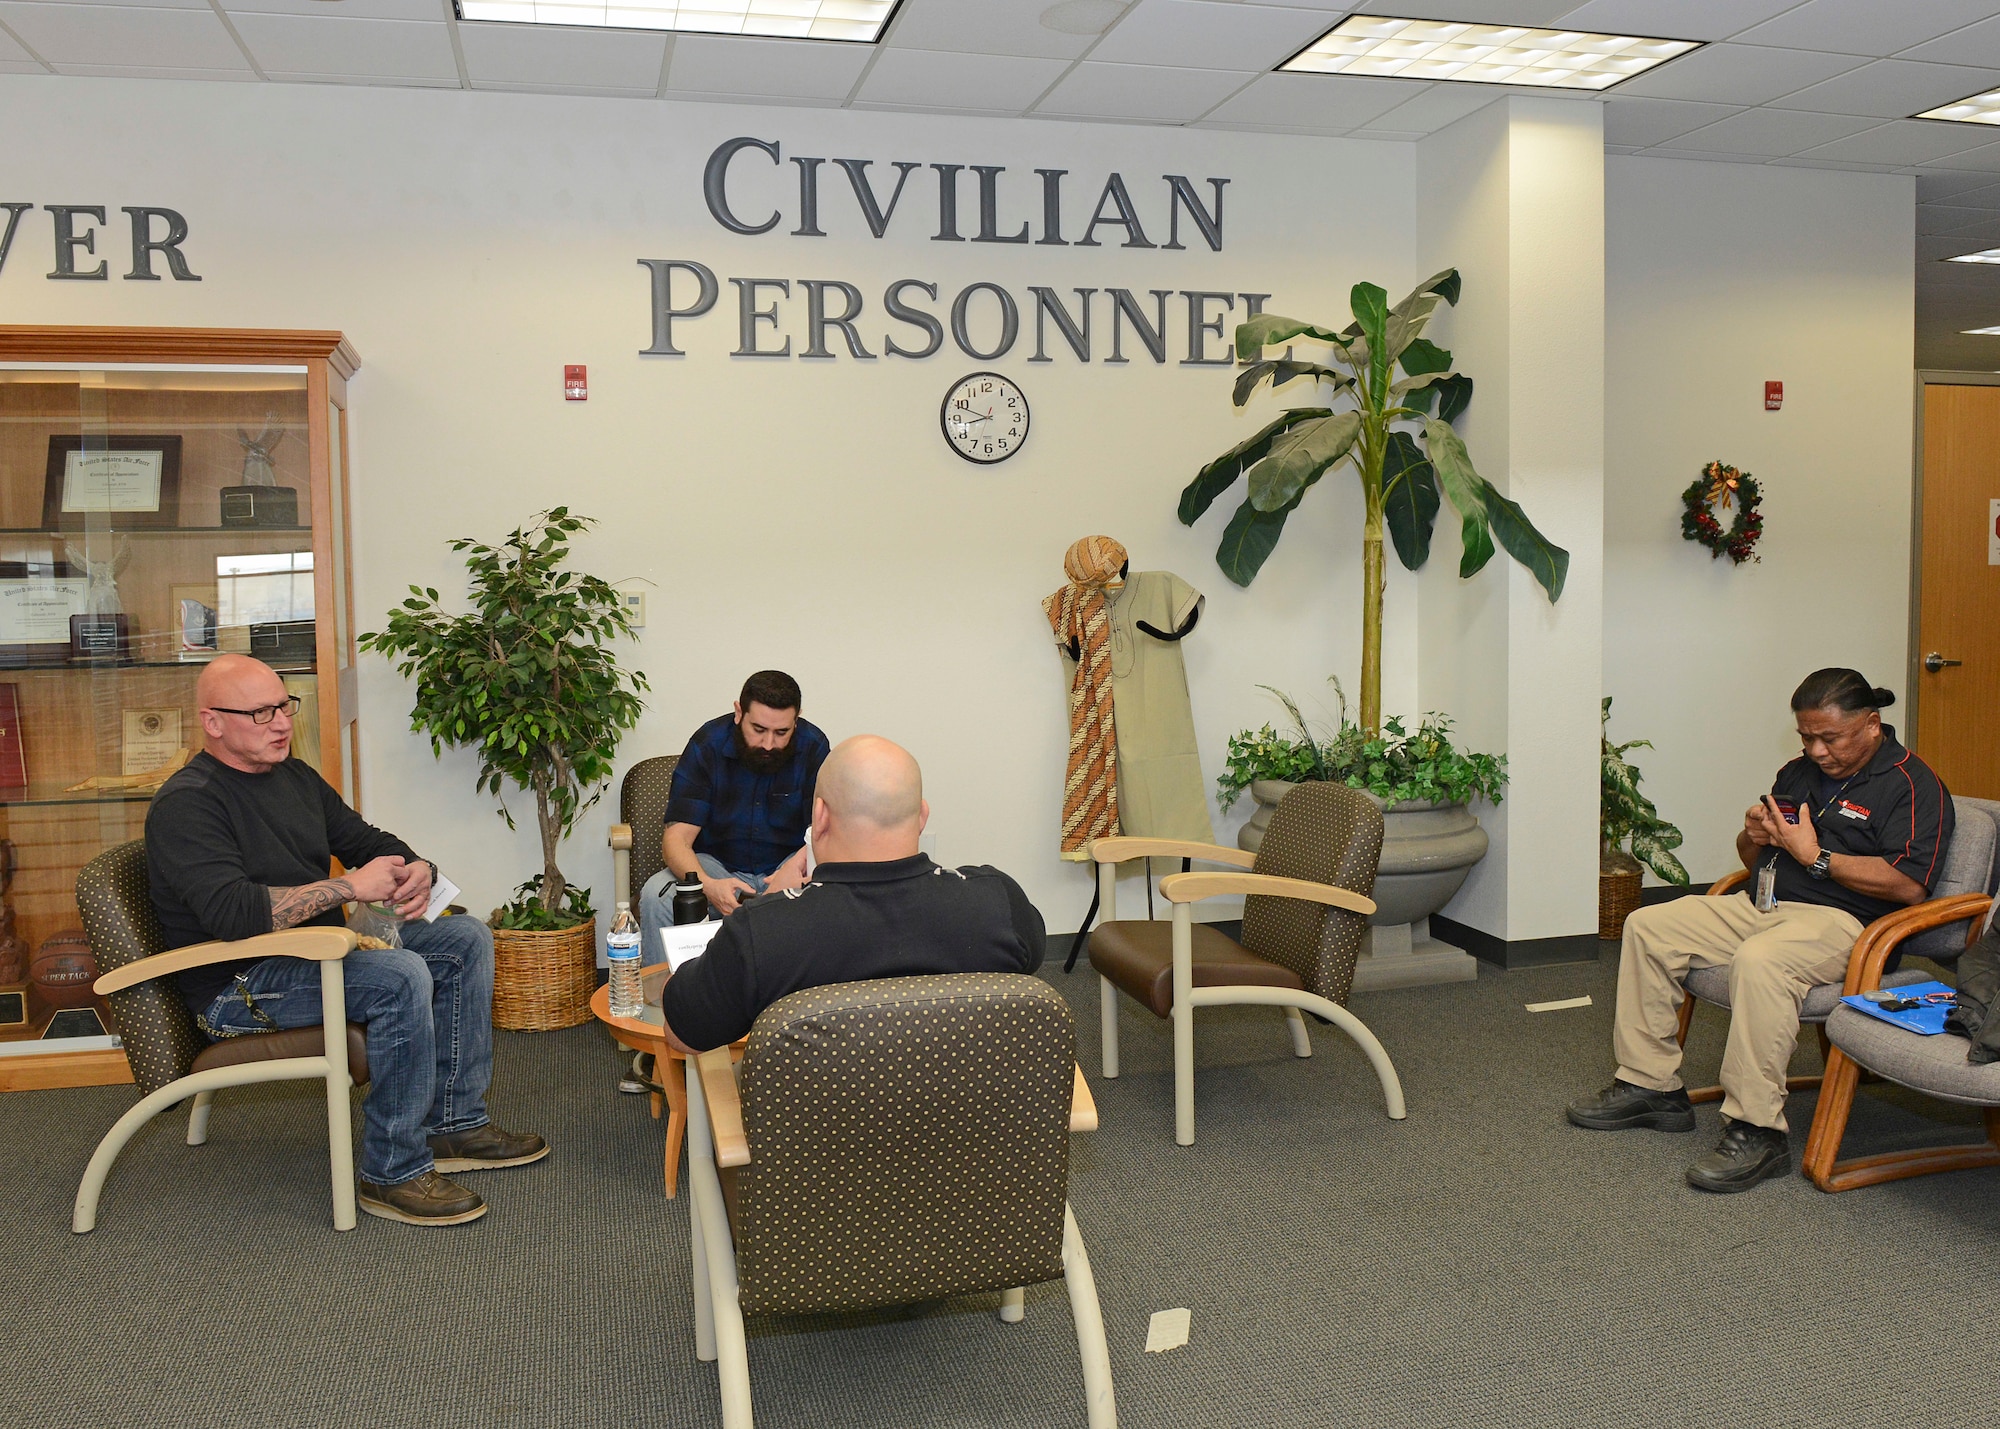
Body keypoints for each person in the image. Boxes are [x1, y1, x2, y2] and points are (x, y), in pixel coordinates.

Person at [146, 654, 547, 1227]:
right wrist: (349, 888)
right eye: (260, 714)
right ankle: (392, 1171)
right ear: (213, 723)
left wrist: (416, 867)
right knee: (399, 976)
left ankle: (453, 1126)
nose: (282, 724)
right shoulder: (188, 804)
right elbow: (235, 914)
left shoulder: (292, 776)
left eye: (284, 707)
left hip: (316, 953)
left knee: (463, 936)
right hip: (241, 980)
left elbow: (364, 839)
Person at [1566, 669, 1953, 1193]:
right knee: (1649, 925)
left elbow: (1909, 886)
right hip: (1765, 903)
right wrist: (1751, 837)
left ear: (1870, 724)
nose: (1816, 750)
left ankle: (1758, 1129)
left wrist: (1815, 857)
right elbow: (1756, 860)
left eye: (1829, 738)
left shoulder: (1911, 784)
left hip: (1847, 924)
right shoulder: (1796, 773)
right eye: (1806, 737)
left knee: (1761, 960)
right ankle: (1650, 1085)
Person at [658, 734, 1046, 1054]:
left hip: (819, 1142)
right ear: (923, 816)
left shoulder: (761, 933)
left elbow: (682, 1036)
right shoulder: (999, 901)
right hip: (971, 1133)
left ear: (820, 817)